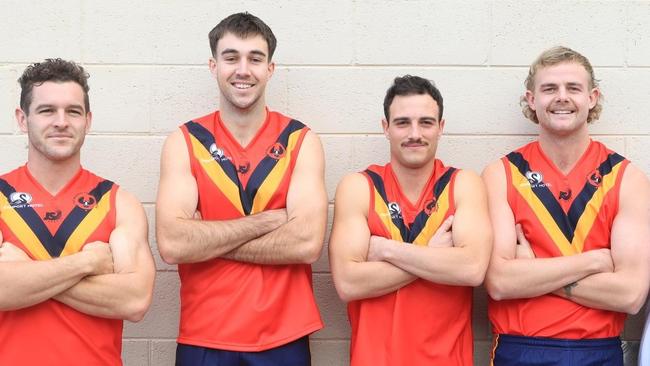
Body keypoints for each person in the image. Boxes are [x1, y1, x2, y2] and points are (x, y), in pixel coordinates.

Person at [155, 12, 327, 366]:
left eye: (255, 58)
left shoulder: (300, 141)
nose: (243, 69)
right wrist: (267, 222)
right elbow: (173, 244)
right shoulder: (185, 141)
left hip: (284, 336)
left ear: (271, 68)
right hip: (205, 334)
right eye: (231, 57)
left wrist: (206, 238)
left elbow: (306, 243)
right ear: (213, 65)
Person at [483, 46, 650, 365]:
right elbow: (500, 283)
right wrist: (591, 261)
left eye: (573, 88)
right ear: (531, 99)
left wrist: (532, 273)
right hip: (520, 349)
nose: (562, 97)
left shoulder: (626, 178)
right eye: (549, 89)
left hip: (598, 351)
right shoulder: (501, 174)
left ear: (592, 97)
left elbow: (630, 295)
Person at [0, 58, 155, 365]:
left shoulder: (117, 202)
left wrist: (25, 274)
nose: (61, 121)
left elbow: (135, 300)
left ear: (88, 119)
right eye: (47, 110)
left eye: (73, 111)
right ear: (22, 119)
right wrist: (87, 262)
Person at [328, 75, 492, 365]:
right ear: (386, 128)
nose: (414, 133)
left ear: (440, 128)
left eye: (426, 122)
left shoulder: (463, 184)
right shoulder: (358, 187)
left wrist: (386, 250)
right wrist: (435, 255)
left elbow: (472, 269)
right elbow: (349, 283)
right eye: (403, 122)